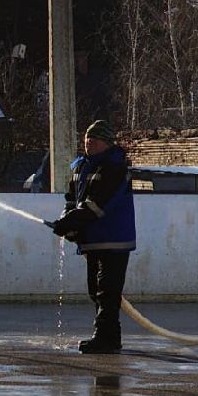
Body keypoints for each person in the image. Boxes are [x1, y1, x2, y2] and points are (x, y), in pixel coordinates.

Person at [46, 120, 136, 354]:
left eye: (94, 140)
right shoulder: (81, 167)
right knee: (95, 290)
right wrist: (68, 222)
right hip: (92, 240)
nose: (89, 144)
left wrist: (71, 222)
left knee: (108, 291)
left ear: (106, 143)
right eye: (87, 140)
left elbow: (98, 204)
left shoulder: (115, 168)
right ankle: (109, 337)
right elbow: (71, 200)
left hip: (114, 239)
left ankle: (105, 338)